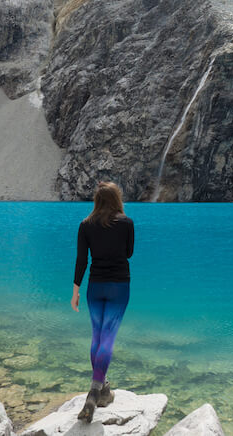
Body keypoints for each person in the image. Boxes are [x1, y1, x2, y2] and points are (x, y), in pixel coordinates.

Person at [71, 181, 135, 423]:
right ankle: (95, 391)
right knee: (108, 337)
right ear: (117, 199)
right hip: (119, 287)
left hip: (95, 287)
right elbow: (128, 253)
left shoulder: (85, 225)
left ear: (96, 201)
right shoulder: (127, 223)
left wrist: (75, 291)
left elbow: (81, 260)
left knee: (97, 336)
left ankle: (102, 389)